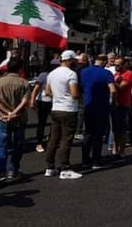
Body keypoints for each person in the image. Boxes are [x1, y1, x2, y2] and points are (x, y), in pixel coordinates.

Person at [0, 59, 29, 182]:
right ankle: (13, 170)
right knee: (18, 145)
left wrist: (6, 113)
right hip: (19, 118)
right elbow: (25, 101)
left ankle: (1, 173)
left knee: (2, 145)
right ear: (20, 69)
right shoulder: (24, 83)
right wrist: (14, 112)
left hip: (3, 118)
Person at [44, 50, 82, 180]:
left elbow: (47, 92)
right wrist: (78, 95)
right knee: (66, 139)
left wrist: (58, 95)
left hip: (55, 108)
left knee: (54, 138)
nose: (75, 62)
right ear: (69, 60)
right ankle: (65, 168)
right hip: (68, 109)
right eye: (74, 60)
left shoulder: (52, 73)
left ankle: (50, 166)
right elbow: (75, 94)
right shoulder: (71, 74)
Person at [81, 54, 116, 168]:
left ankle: (85, 160)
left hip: (88, 105)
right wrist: (113, 100)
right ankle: (96, 160)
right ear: (104, 62)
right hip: (102, 107)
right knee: (98, 134)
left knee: (88, 133)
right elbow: (113, 90)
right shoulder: (107, 73)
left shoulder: (84, 72)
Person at [30, 59, 60, 153]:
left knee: (56, 122)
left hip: (55, 102)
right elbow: (36, 88)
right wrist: (32, 100)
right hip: (43, 101)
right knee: (42, 122)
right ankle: (39, 143)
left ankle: (50, 138)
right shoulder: (44, 75)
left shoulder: (59, 75)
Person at [112, 56, 132, 157]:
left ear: (124, 64)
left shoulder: (128, 74)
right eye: (115, 64)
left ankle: (122, 150)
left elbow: (121, 88)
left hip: (124, 104)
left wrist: (112, 82)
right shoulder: (116, 74)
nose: (116, 67)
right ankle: (115, 149)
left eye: (118, 65)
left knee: (122, 129)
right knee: (115, 128)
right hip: (114, 104)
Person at [74, 53, 90, 140]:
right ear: (85, 60)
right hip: (82, 92)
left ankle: (75, 130)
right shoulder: (85, 69)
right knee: (81, 112)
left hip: (75, 91)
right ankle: (78, 131)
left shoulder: (75, 68)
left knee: (76, 111)